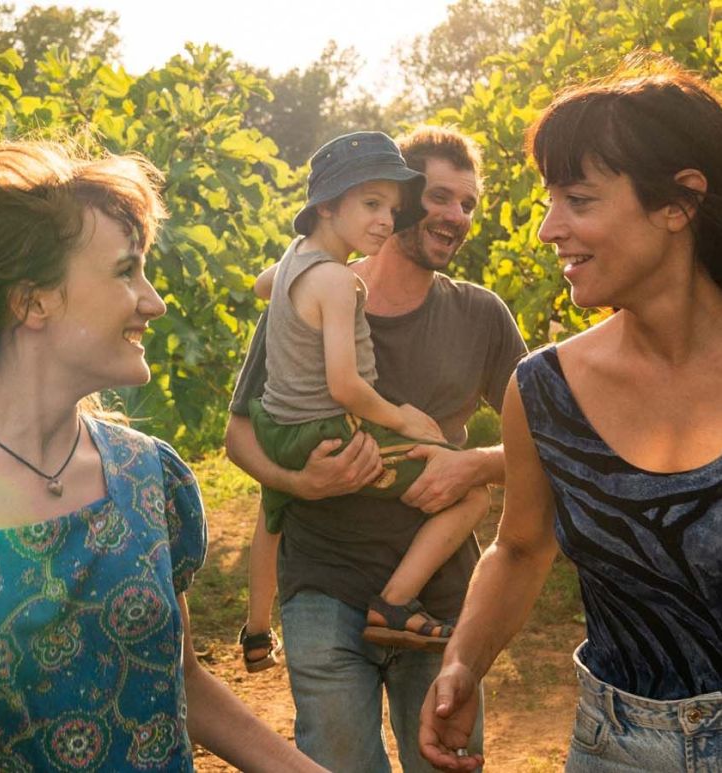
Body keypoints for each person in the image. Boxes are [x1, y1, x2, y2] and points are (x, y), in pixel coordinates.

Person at [0, 140, 327, 772]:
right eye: (125, 271)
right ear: (33, 300)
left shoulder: (149, 476)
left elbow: (180, 680)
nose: (154, 301)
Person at [418, 56, 722, 773]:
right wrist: (464, 659)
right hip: (616, 748)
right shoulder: (546, 389)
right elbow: (521, 545)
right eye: (551, 199)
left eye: (579, 199)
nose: (548, 229)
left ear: (679, 202)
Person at [226, 125, 527, 771]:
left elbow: (549, 443)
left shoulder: (482, 315)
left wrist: (473, 464)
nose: (456, 216)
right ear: (400, 201)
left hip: (441, 601)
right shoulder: (312, 292)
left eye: (468, 204)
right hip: (323, 585)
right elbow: (240, 433)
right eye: (440, 197)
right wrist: (301, 482)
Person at [240, 131, 491, 670]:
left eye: (468, 203)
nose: (383, 218)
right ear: (330, 207)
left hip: (282, 427)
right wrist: (406, 419)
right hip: (329, 449)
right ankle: (395, 604)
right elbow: (344, 387)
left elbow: (266, 286)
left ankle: (256, 630)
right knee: (471, 498)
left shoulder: (295, 265)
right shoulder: (338, 285)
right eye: (373, 204)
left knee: (271, 508)